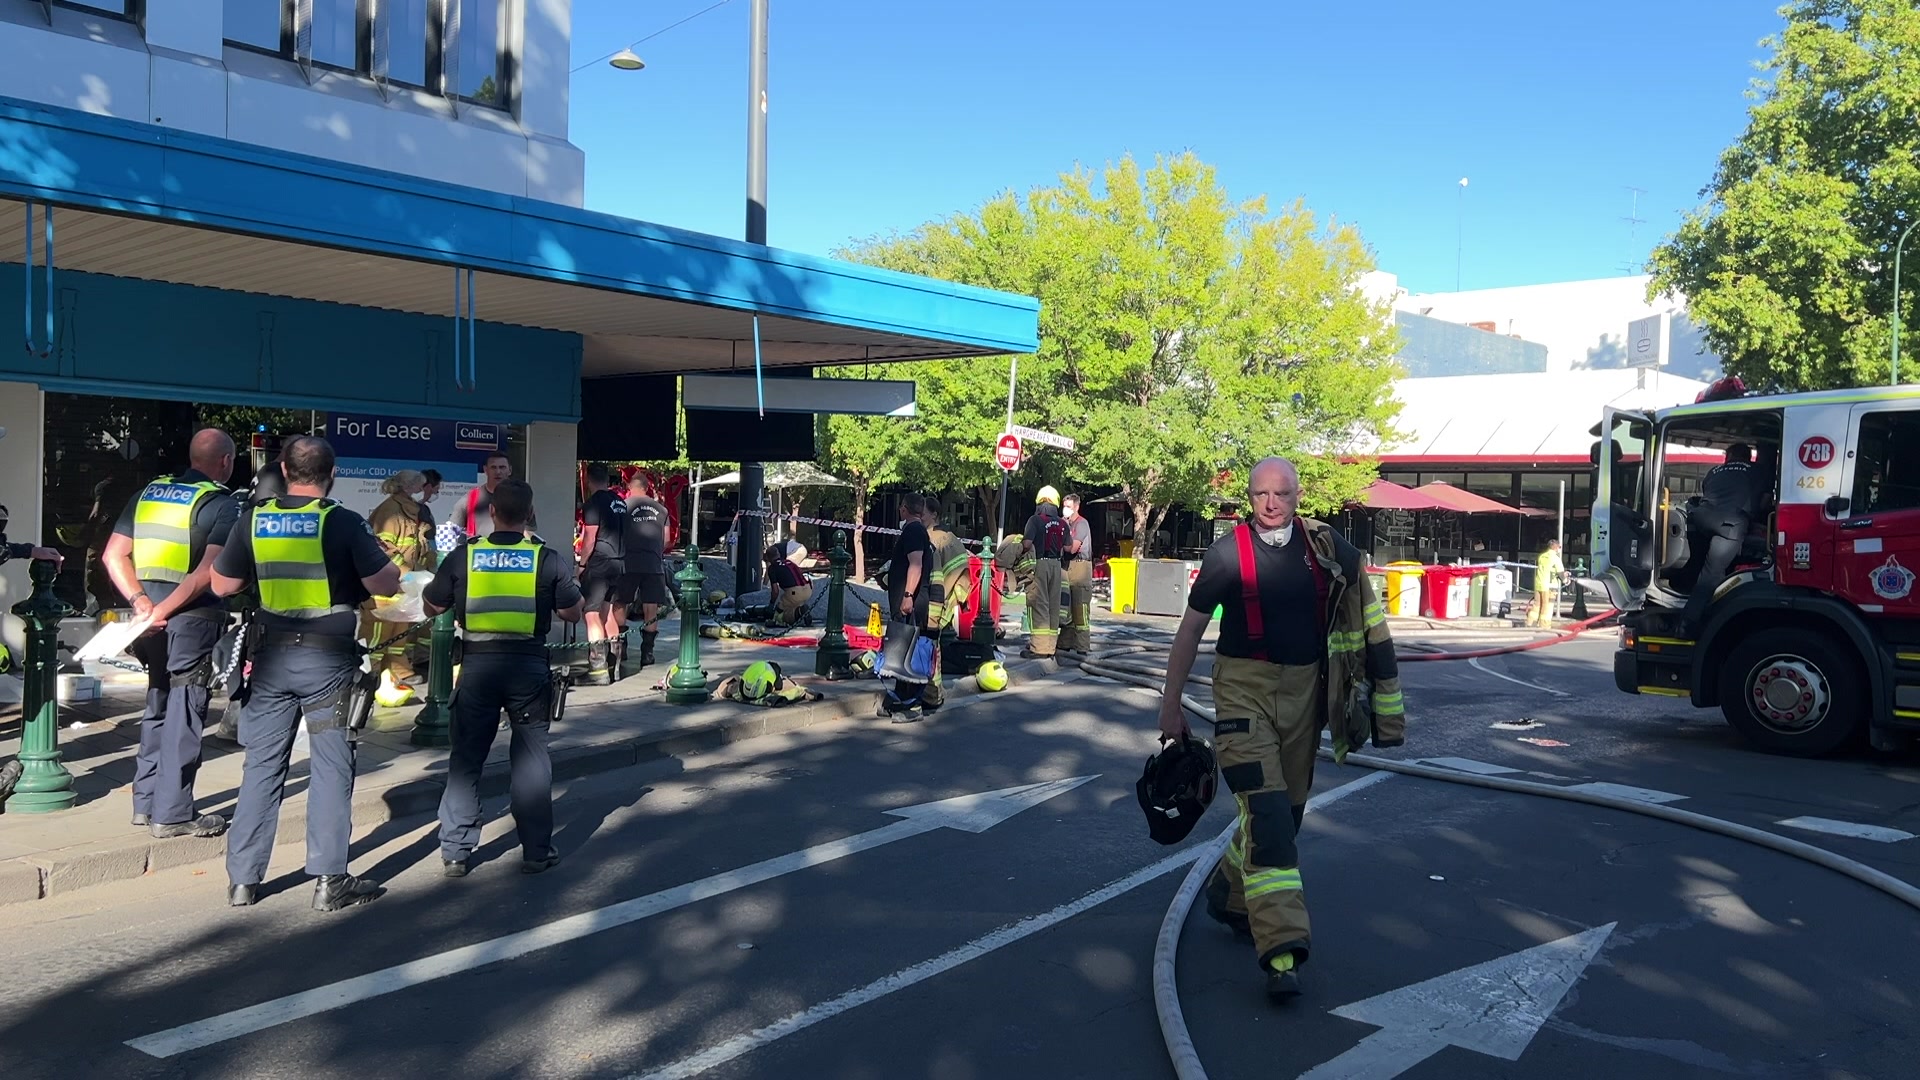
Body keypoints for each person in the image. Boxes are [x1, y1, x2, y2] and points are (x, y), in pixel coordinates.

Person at [1157, 457, 1405, 1001]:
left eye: (1282, 494)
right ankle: (1282, 951)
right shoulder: (1225, 557)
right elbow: (1189, 632)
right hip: (1242, 692)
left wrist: (1376, 701)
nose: (1271, 504)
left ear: (1298, 495)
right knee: (1268, 817)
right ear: (1248, 498)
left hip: (1304, 697)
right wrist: (1170, 703)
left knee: (1284, 814)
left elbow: (1368, 620)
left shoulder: (1327, 551)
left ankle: (1227, 892)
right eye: (1261, 494)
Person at [212, 436, 401, 911]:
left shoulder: (254, 517)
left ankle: (242, 880)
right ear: (331, 472)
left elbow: (222, 583)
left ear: (283, 468)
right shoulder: (342, 521)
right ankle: (329, 879)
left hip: (272, 660)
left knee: (262, 767)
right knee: (332, 766)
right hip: (327, 664)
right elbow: (385, 583)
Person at [424, 479, 582, 877]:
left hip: (477, 667)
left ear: (491, 513)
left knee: (466, 759)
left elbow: (431, 603)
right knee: (530, 758)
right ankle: (535, 850)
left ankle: (456, 851)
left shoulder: (465, 556)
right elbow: (573, 612)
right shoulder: (545, 558)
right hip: (527, 668)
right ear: (529, 515)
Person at [99, 428, 240, 839]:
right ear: (226, 462)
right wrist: (163, 609)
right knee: (185, 712)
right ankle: (173, 813)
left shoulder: (149, 493)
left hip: (149, 624)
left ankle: (144, 805)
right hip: (190, 621)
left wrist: (143, 604)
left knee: (157, 703)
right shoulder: (221, 502)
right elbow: (206, 574)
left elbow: (113, 555)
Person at [363, 469, 435, 699]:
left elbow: (418, 548)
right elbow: (381, 548)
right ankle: (368, 675)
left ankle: (398, 670)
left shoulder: (411, 512)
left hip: (402, 585)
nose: (425, 491)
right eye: (421, 486)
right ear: (410, 487)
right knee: (377, 634)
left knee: (398, 634)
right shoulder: (391, 511)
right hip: (385, 585)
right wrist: (405, 573)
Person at [1680, 443, 1762, 632]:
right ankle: (1687, 624)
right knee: (1711, 573)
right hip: (1729, 524)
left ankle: (1682, 584)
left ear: (1731, 455)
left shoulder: (1714, 470)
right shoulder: (1757, 471)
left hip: (1702, 517)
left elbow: (1707, 492)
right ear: (1748, 456)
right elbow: (1762, 503)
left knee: (1699, 557)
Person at [880, 493, 935, 721]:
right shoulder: (917, 531)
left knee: (909, 656)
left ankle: (912, 706)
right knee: (901, 655)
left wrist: (907, 596)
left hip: (911, 603)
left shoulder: (912, 530)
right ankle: (899, 699)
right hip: (911, 601)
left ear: (904, 509)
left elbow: (915, 565)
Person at [621, 478, 672, 667]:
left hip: (629, 562)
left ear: (631, 489)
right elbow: (666, 540)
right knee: (651, 607)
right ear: (646, 488)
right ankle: (647, 653)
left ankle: (621, 647)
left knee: (622, 603)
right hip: (653, 564)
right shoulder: (662, 509)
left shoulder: (624, 507)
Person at [1020, 486, 1070, 659]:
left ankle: (1039, 649)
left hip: (1040, 564)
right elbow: (1068, 547)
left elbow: (1026, 544)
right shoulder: (1063, 523)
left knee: (1039, 604)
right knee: (1053, 606)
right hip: (1057, 565)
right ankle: (1050, 647)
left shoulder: (1035, 520)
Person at [1059, 493, 1095, 654]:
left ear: (1077, 507)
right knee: (1067, 610)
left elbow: (1072, 548)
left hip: (1081, 567)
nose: (1065, 510)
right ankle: (1065, 643)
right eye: (1064, 506)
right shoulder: (1066, 524)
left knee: (1080, 609)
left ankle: (1082, 646)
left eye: (1069, 506)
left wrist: (1060, 541)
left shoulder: (1081, 524)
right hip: (1067, 567)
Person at [458, 452, 514, 539]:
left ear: (510, 470)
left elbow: (529, 532)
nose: (498, 472)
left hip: (513, 551)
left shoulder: (520, 498)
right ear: (485, 470)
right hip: (478, 551)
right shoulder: (470, 499)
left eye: (502, 467)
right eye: (493, 467)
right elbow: (454, 530)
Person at [763, 544, 814, 627]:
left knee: (779, 614)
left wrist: (771, 604)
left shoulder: (772, 568)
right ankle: (800, 610)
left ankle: (800, 612)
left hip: (795, 592)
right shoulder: (789, 562)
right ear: (778, 554)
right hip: (808, 589)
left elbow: (775, 591)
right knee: (791, 604)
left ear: (768, 558)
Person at [1529, 539, 1565, 628]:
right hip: (1550, 586)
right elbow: (1560, 573)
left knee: (1537, 605)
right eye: (1559, 547)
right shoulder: (1556, 558)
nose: (1559, 549)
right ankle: (1544, 625)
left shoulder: (1542, 556)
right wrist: (1566, 580)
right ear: (1555, 547)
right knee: (1548, 606)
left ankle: (1531, 622)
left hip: (1539, 584)